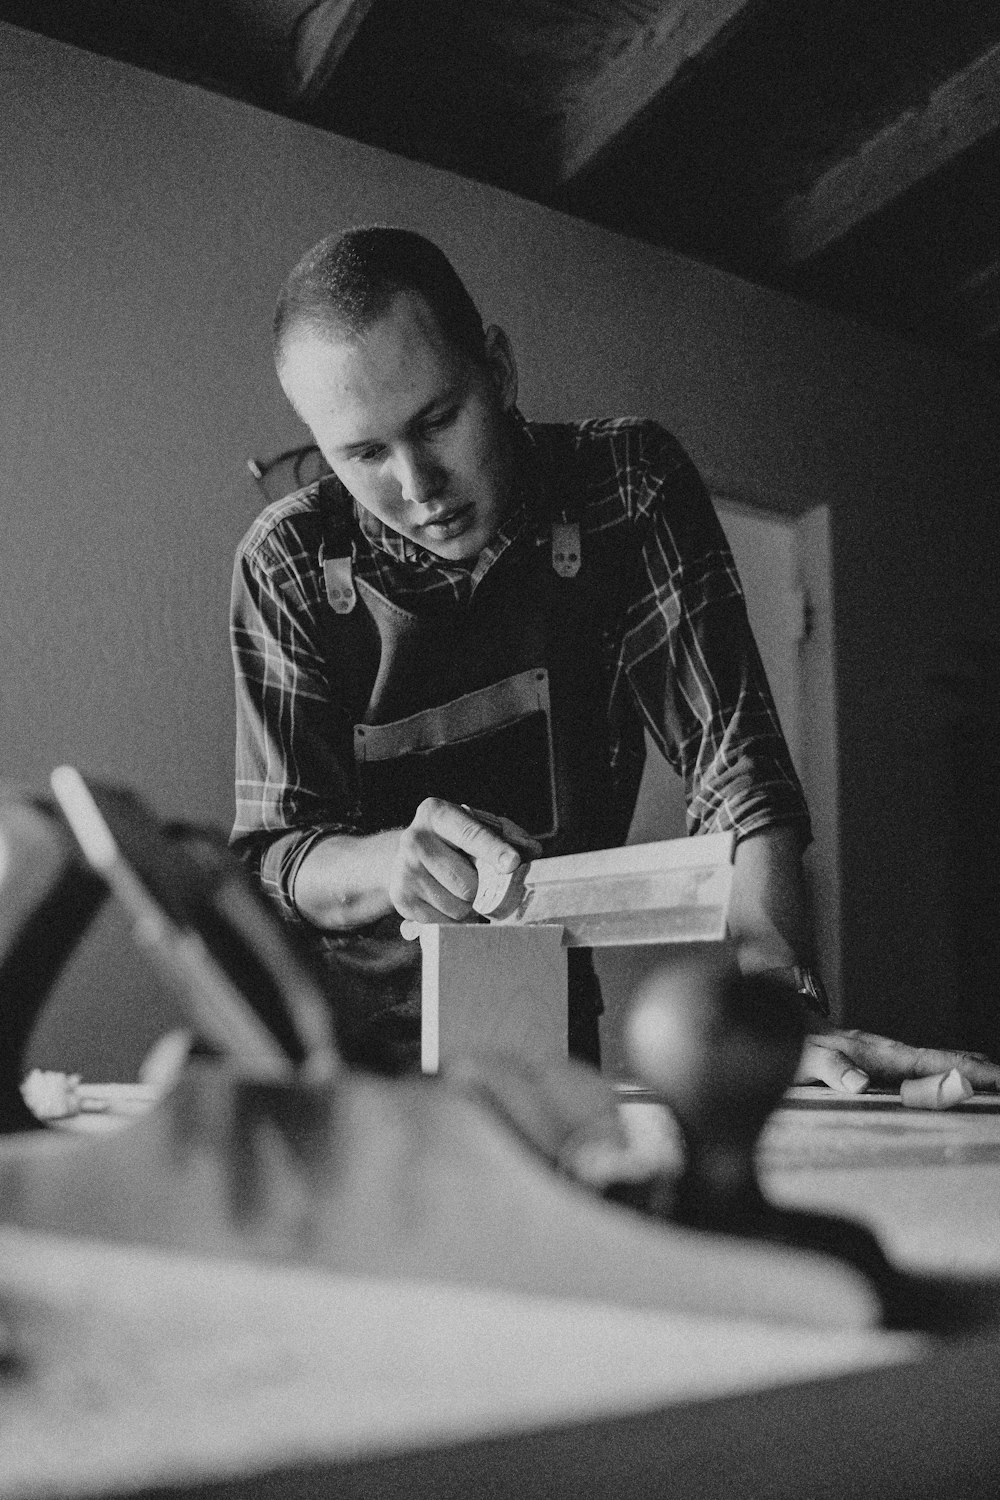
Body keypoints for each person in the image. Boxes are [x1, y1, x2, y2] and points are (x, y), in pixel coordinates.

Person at [230, 225, 1000, 1096]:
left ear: (499, 370)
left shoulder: (626, 486)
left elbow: (733, 764)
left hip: (550, 1026)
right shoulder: (286, 559)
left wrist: (779, 1008)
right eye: (364, 454)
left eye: (438, 421)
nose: (417, 487)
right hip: (337, 1058)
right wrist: (388, 862)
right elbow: (273, 852)